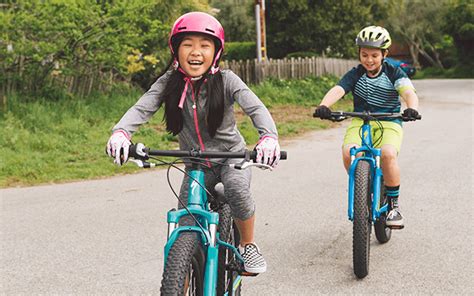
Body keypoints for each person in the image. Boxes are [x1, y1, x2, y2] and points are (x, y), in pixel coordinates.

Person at [106, 12, 280, 273]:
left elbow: (256, 109)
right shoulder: (168, 82)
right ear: (176, 50)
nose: (195, 52)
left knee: (236, 190)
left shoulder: (228, 80)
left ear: (216, 52)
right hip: (195, 164)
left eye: (204, 45)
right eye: (187, 44)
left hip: (231, 159)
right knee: (187, 221)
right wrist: (121, 133)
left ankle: (248, 245)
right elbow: (141, 108)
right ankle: (186, 272)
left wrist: (268, 138)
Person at [314, 25, 419, 229]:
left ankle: (393, 205)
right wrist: (324, 105)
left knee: (388, 154)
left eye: (374, 55)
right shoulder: (356, 74)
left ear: (384, 54)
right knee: (348, 152)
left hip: (390, 120)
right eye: (364, 55)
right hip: (361, 121)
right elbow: (338, 89)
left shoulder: (393, 72)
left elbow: (408, 92)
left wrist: (412, 108)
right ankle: (363, 188)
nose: (368, 60)